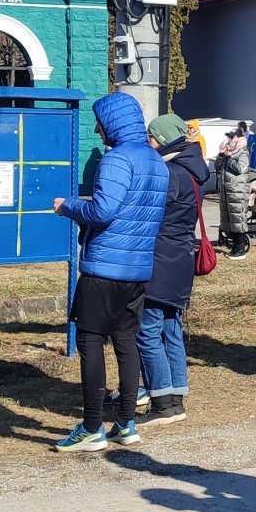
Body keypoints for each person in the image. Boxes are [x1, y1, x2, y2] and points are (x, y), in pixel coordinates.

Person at [52, 93, 168, 453]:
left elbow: (102, 211)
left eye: (99, 121)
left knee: (88, 341)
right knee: (126, 340)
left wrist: (67, 206)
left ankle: (90, 428)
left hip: (105, 268)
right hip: (137, 269)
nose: (96, 128)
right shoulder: (156, 161)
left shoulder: (117, 159)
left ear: (112, 123)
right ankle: (126, 424)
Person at [140, 115, 209, 425]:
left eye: (151, 138)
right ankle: (176, 397)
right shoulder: (193, 169)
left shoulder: (170, 173)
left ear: (164, 139)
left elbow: (148, 213)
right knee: (171, 328)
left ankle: (162, 402)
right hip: (180, 259)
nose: (148, 143)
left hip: (161, 259)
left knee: (148, 330)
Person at [215, 134, 256, 260]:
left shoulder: (243, 153)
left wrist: (229, 158)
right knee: (228, 221)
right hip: (227, 193)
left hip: (238, 193)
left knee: (238, 221)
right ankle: (234, 246)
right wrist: (221, 155)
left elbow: (240, 168)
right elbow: (217, 167)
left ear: (239, 140)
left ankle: (240, 249)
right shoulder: (228, 154)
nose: (229, 140)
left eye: (232, 138)